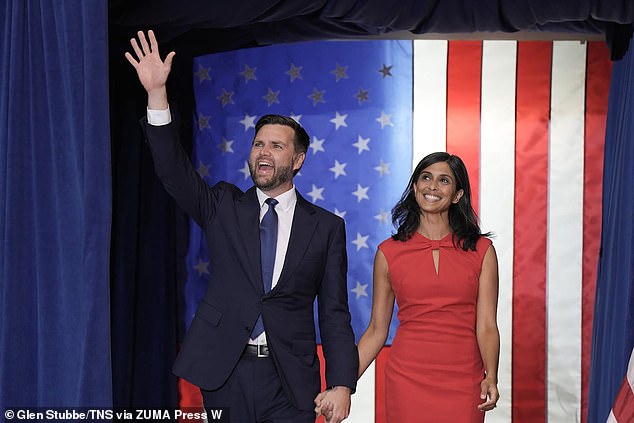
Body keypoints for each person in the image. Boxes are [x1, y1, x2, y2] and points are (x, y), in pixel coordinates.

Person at [125, 30, 358, 423]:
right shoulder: (223, 205)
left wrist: (341, 384)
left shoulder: (326, 228)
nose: (263, 152)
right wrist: (157, 95)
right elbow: (173, 172)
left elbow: (335, 312)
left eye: (276, 146)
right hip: (225, 371)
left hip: (290, 381)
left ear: (298, 161)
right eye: (258, 144)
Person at [316, 152, 500, 422]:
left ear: (458, 194)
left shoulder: (482, 251)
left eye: (444, 180)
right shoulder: (388, 253)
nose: (433, 186)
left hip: (464, 380)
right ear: (415, 188)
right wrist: (340, 386)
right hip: (407, 379)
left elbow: (486, 326)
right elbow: (377, 331)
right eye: (425, 178)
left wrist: (491, 376)